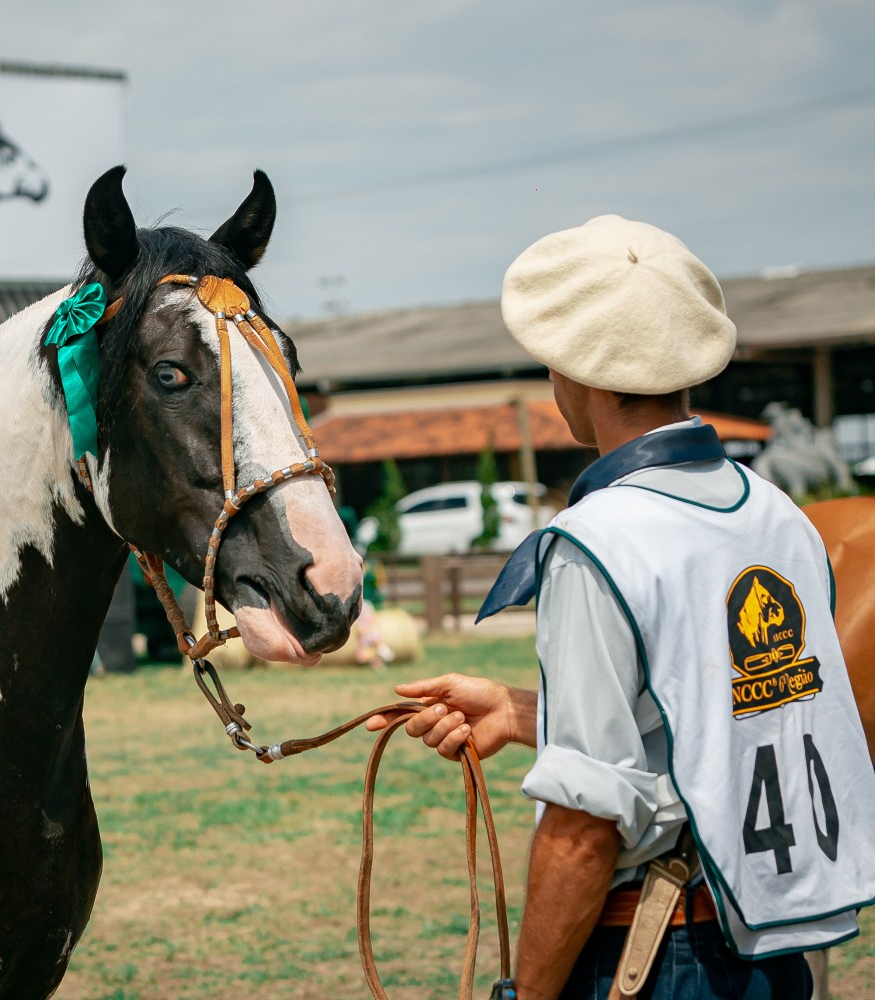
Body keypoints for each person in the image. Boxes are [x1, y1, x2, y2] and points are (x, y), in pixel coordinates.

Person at [367, 216, 875, 1000]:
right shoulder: (779, 516)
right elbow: (718, 716)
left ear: (583, 375)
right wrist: (527, 710)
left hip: (658, 953)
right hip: (769, 956)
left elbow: (583, 828)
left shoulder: (595, 541)